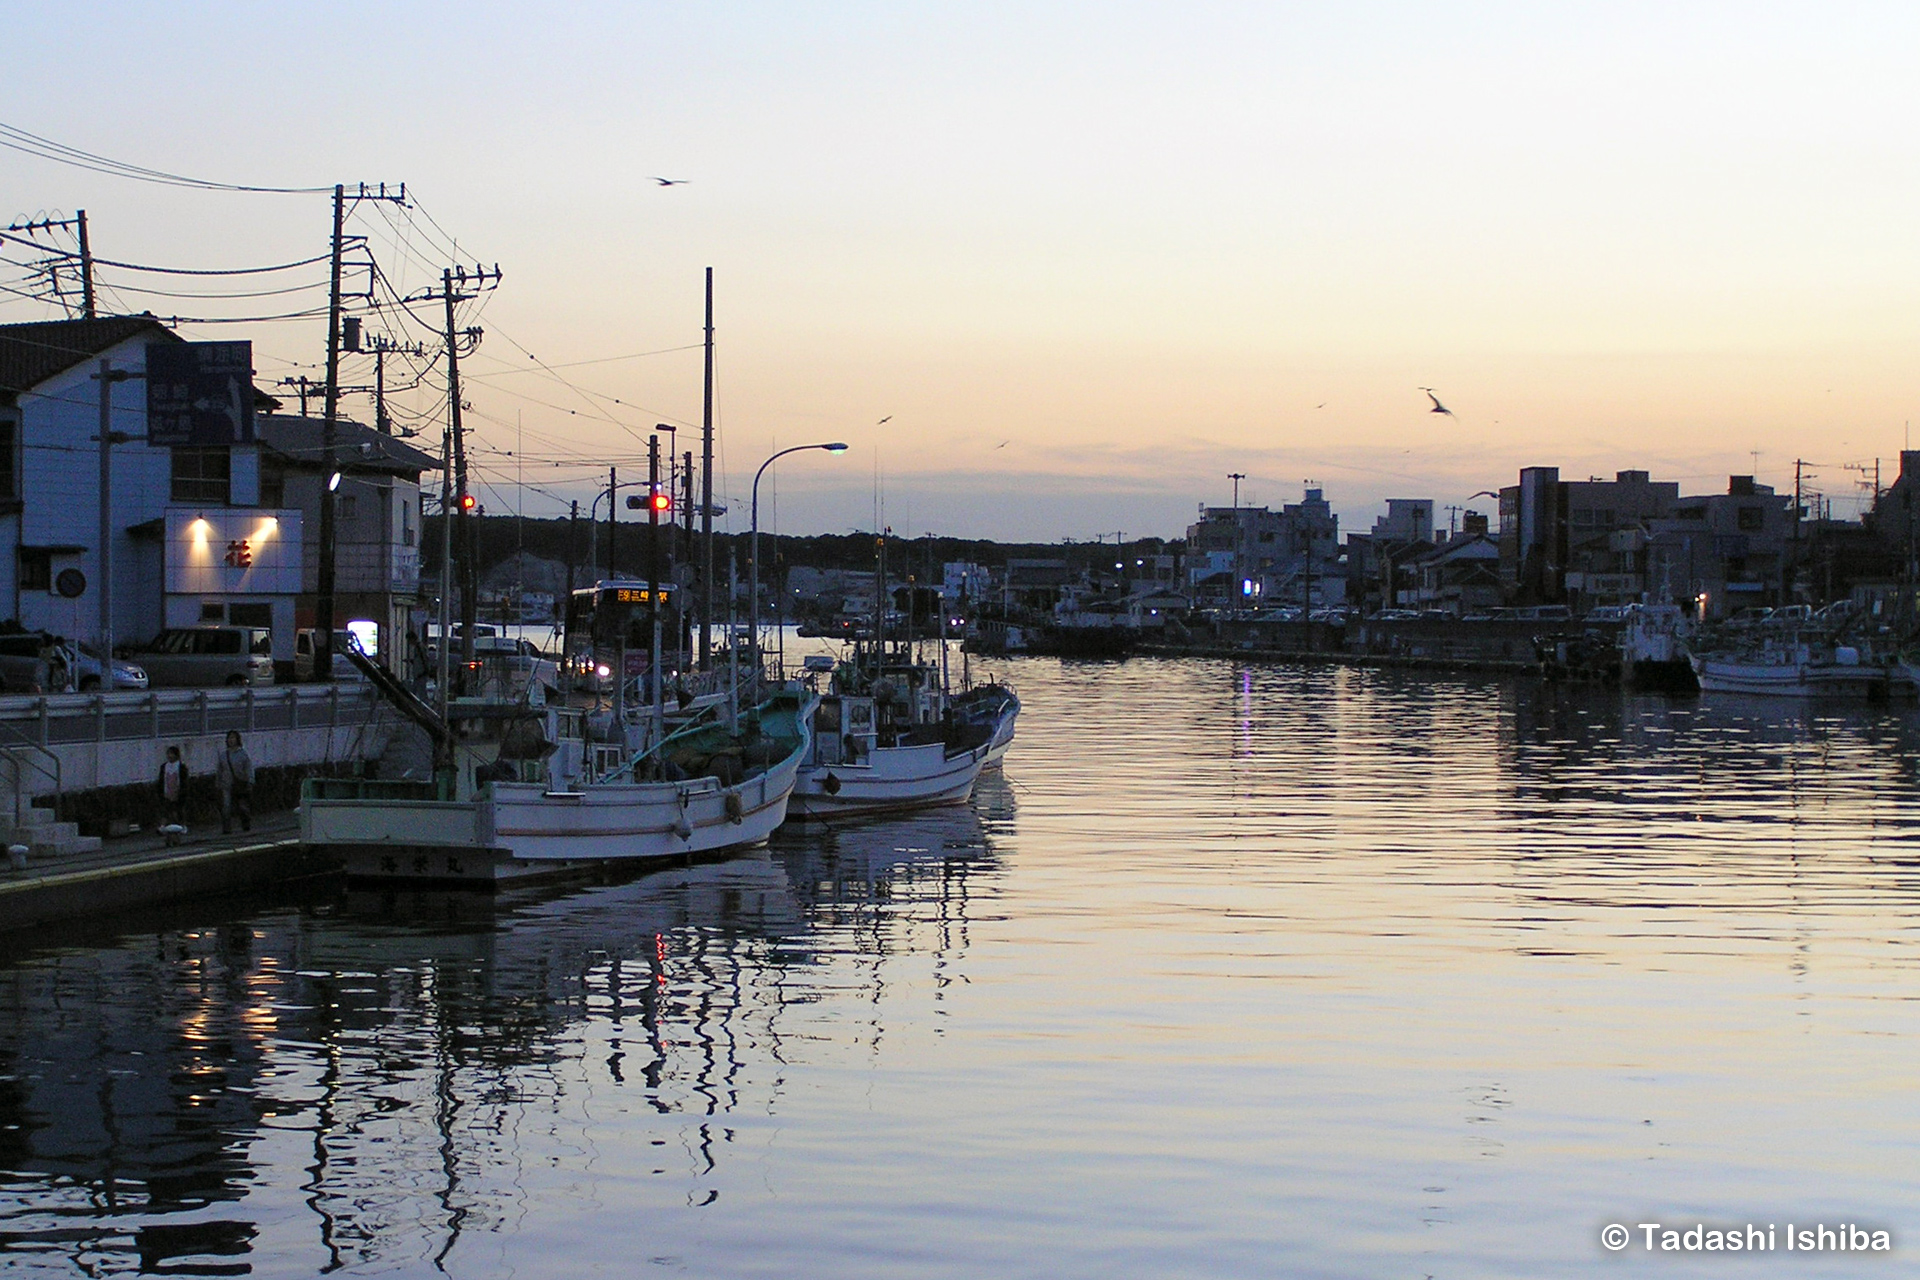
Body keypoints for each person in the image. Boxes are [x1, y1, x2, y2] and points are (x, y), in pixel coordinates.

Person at [216, 730, 254, 835]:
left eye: (233, 738)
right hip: (226, 784)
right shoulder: (224, 755)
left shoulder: (243, 754)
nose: (231, 740)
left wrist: (250, 780)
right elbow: (220, 769)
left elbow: (248, 768)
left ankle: (246, 823)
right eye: (229, 738)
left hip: (240, 784)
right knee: (226, 806)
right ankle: (226, 828)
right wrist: (218, 782)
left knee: (242, 807)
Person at [156, 745, 188, 830]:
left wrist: (182, 791)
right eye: (168, 753)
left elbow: (184, 780)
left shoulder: (181, 767)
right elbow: (161, 780)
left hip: (178, 792)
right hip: (166, 792)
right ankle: (163, 826)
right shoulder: (164, 766)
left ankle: (182, 825)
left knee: (179, 809)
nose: (169, 756)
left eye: (172, 753)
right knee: (165, 810)